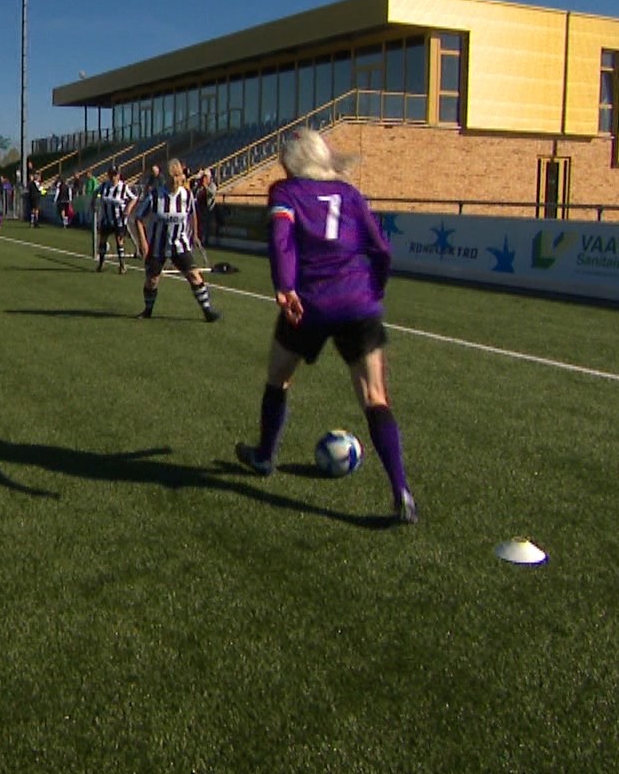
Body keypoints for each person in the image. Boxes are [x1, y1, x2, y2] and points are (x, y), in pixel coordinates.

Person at [235, 128, 415, 525]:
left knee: (278, 378)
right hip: (358, 303)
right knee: (375, 398)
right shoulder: (350, 194)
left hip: (310, 304)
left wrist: (285, 286)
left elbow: (281, 239)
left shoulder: (285, 193)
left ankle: (265, 456)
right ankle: (400, 489)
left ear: (294, 161)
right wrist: (375, 290)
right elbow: (381, 249)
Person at [133, 159, 222, 323]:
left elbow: (192, 214)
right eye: (173, 175)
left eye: (179, 175)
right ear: (167, 177)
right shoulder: (155, 196)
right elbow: (138, 218)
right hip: (157, 245)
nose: (177, 179)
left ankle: (208, 310)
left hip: (179, 244)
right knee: (152, 280)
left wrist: (194, 234)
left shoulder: (186, 195)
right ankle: (148, 310)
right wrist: (143, 243)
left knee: (195, 276)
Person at [93, 168, 137, 274]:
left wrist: (128, 208)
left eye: (115, 175)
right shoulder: (104, 186)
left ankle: (122, 265)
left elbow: (134, 198)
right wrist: (93, 203)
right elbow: (95, 193)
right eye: (111, 175)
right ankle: (101, 263)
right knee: (102, 240)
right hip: (106, 219)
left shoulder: (123, 187)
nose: (113, 177)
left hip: (118, 219)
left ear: (118, 175)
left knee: (119, 241)